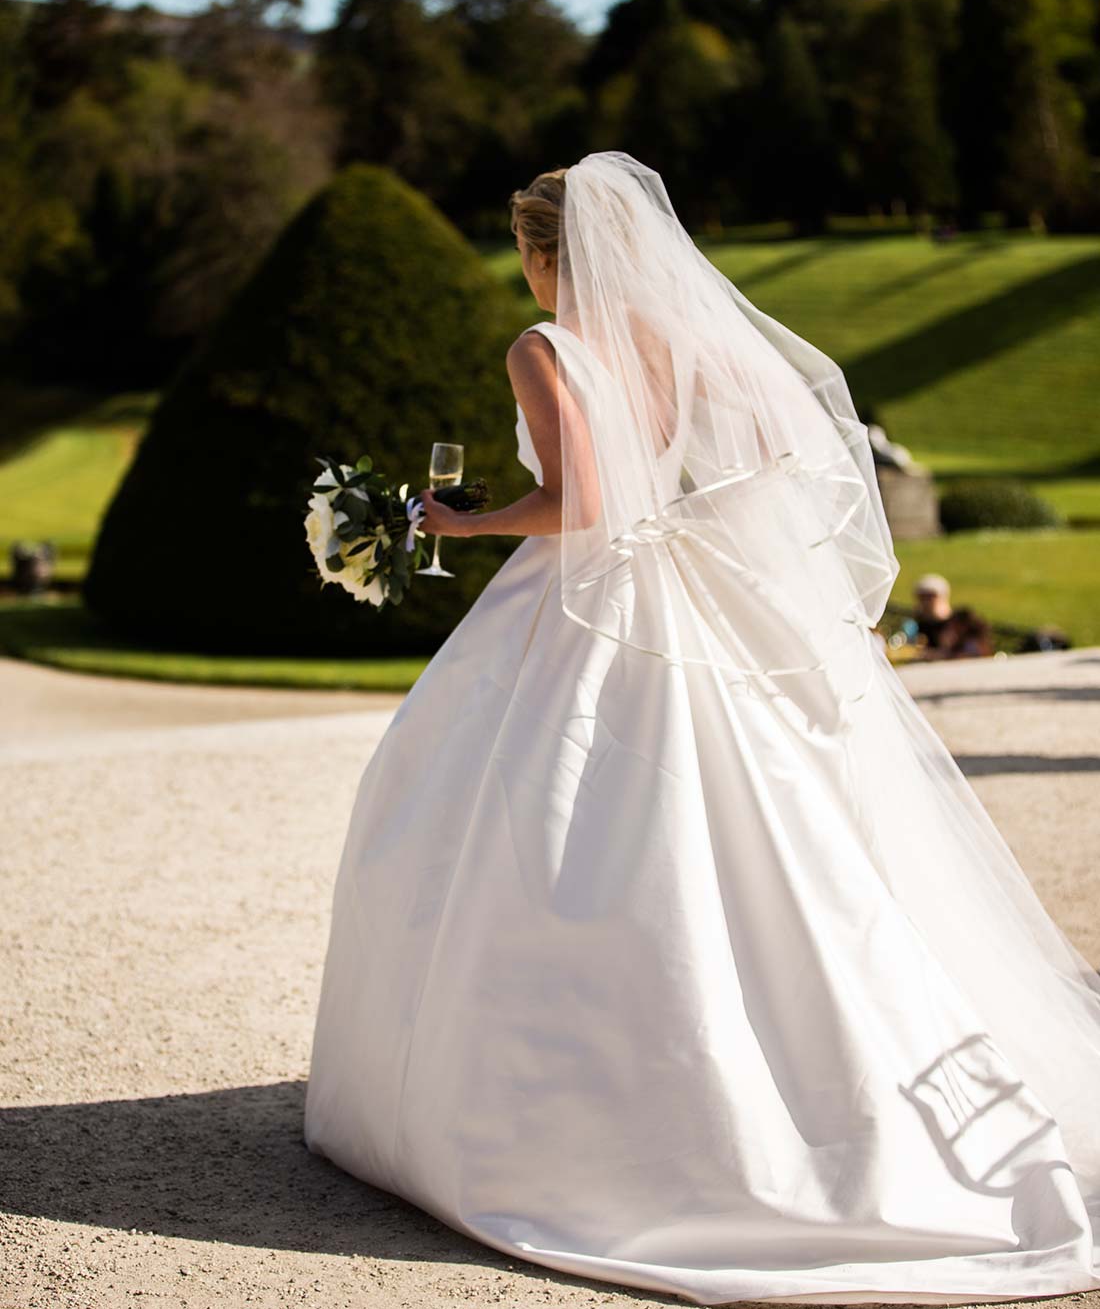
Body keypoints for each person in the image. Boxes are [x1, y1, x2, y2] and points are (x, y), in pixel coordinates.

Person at [304, 152, 1100, 1305]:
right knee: (758, 826)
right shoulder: (680, 339)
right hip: (689, 595)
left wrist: (459, 524)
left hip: (584, 605)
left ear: (539, 255)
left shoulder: (540, 347)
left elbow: (580, 504)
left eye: (523, 252)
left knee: (517, 819)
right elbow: (769, 441)